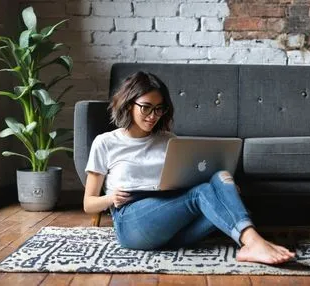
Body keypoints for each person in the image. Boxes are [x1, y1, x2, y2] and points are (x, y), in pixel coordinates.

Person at [83, 71, 296, 265]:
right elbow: (88, 204)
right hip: (131, 221)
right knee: (203, 194)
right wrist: (111, 199)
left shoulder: (169, 140)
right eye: (146, 107)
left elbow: (187, 181)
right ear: (129, 104)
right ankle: (254, 242)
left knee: (222, 178)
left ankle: (248, 241)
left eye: (159, 109)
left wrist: (225, 192)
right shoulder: (105, 142)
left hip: (173, 225)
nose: (152, 115)